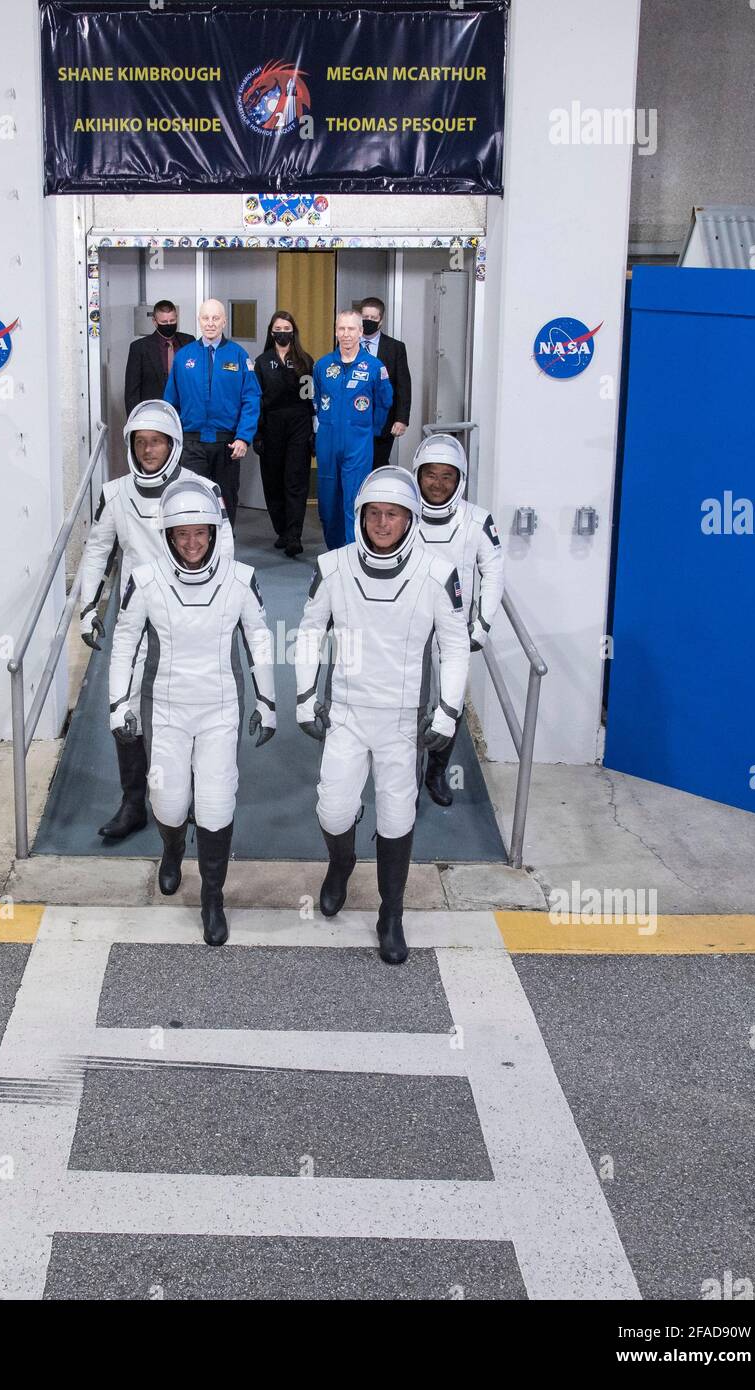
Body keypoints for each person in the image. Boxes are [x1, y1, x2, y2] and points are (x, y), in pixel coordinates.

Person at [295, 466, 469, 964]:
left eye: (393, 514)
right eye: (374, 513)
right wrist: (306, 698)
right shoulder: (333, 567)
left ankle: (390, 912)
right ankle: (341, 863)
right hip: (346, 713)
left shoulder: (437, 574)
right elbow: (309, 633)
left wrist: (448, 711)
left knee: (397, 818)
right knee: (332, 808)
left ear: (410, 518)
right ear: (361, 517)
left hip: (403, 721)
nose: (383, 523)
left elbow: (455, 647)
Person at [109, 477, 276, 946]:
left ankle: (212, 896)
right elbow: (124, 643)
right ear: (167, 537)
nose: (191, 543)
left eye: (200, 532)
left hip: (220, 711)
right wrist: (119, 703)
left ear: (215, 531)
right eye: (181, 535)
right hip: (165, 711)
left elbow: (259, 639)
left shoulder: (240, 579)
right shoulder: (145, 580)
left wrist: (268, 700)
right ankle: (171, 848)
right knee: (168, 802)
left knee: (217, 803)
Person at [79, 399, 233, 840]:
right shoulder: (116, 494)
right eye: (140, 443)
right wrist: (88, 608)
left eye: (157, 442)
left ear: (174, 444)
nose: (148, 451)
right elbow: (95, 552)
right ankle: (133, 803)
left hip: (189, 619)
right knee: (125, 708)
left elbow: (224, 553)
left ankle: (180, 797)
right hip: (134, 618)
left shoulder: (203, 488)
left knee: (182, 707)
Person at [411, 433, 504, 806]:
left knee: (450, 702)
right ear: (417, 475)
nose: (437, 483)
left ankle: (436, 773)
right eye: (430, 474)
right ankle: (407, 779)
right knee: (409, 700)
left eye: (447, 476)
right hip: (408, 625)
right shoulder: (403, 514)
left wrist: (481, 625)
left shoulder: (477, 521)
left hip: (454, 629)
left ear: (460, 478)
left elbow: (493, 571)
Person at [164, 298, 261, 526]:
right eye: (206, 318)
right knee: (194, 501)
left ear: (224, 321)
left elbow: (251, 399)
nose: (210, 323)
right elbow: (170, 402)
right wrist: (172, 439)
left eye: (215, 318)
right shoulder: (183, 357)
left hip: (227, 445)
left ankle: (224, 552)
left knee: (225, 501)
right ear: (199, 321)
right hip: (192, 444)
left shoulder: (239, 356)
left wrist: (243, 438)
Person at [312, 309, 393, 550]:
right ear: (336, 331)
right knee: (327, 502)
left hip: (357, 443)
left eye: (351, 329)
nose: (346, 334)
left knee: (353, 501)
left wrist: (369, 429)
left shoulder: (374, 367)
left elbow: (384, 401)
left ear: (360, 331)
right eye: (341, 329)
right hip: (327, 442)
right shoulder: (323, 365)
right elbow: (317, 400)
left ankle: (352, 551)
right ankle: (334, 551)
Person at [253, 310, 314, 558]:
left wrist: (313, 434)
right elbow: (256, 401)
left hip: (299, 426)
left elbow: (310, 401)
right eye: (278, 328)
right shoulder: (261, 362)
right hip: (271, 426)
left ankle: (294, 536)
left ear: (293, 332)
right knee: (273, 481)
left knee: (295, 481)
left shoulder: (305, 360)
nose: (282, 333)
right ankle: (282, 531)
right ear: (271, 332)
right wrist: (257, 434)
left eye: (287, 329)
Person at [360, 296, 412, 470]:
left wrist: (401, 419)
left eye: (373, 318)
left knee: (378, 464)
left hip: (383, 421)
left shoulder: (395, 347)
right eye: (365, 317)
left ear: (381, 320)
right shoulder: (347, 344)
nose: (368, 321)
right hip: (354, 420)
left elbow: (403, 385)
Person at [124, 300, 194, 414]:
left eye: (172, 320)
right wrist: (134, 422)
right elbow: (132, 391)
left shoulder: (189, 342)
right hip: (152, 413)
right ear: (155, 322)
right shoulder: (139, 348)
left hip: (185, 412)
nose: (169, 324)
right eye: (164, 322)